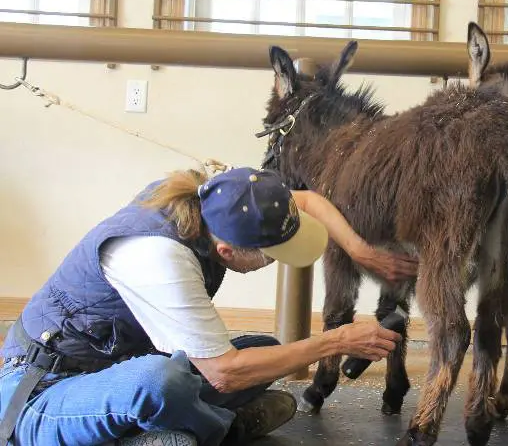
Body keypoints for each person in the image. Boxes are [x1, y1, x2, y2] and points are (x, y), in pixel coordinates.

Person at [0, 166, 418, 446]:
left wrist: (363, 251)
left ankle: (181, 422)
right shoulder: (158, 257)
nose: (278, 260)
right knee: (164, 381)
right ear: (227, 251)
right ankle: (222, 430)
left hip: (114, 365)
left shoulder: (223, 198)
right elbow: (224, 374)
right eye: (273, 253)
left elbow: (305, 201)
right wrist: (335, 340)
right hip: (40, 393)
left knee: (265, 346)